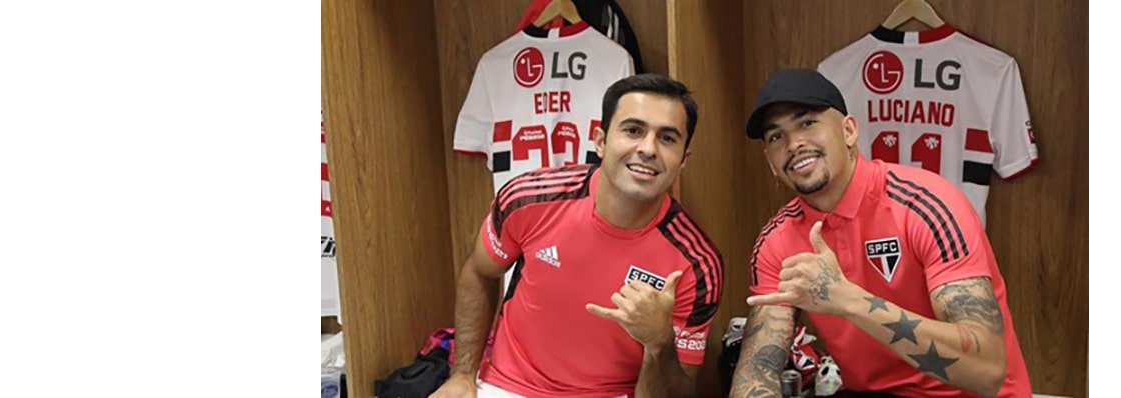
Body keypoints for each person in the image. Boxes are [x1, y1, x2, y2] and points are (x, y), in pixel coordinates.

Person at [728, 69, 1032, 397]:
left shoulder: (926, 204)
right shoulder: (777, 240)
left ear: (848, 130)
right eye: (776, 137)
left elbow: (986, 370)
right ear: (771, 163)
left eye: (807, 123)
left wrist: (849, 300)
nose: (794, 144)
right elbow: (756, 369)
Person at [431, 74, 723, 398]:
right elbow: (479, 271)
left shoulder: (697, 264)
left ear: (683, 159)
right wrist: (462, 374)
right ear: (600, 140)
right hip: (506, 388)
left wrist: (659, 342)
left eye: (667, 138)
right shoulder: (529, 198)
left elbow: (680, 392)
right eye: (633, 130)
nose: (648, 149)